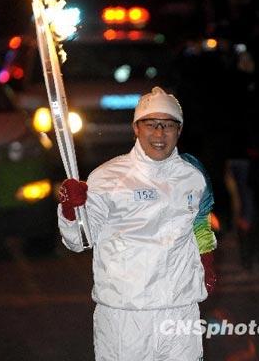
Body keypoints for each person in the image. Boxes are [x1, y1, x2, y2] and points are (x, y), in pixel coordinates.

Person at [58, 86, 217, 361]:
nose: (159, 133)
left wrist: (207, 261)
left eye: (168, 125)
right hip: (125, 317)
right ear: (136, 128)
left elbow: (201, 225)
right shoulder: (107, 178)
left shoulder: (194, 176)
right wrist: (70, 210)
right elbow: (79, 241)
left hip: (180, 311)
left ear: (179, 130)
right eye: (150, 124)